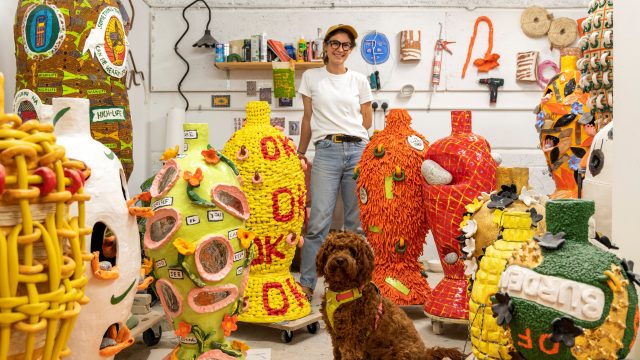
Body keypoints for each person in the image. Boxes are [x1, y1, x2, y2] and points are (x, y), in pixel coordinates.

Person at [296, 24, 373, 300]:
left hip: (357, 152)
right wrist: (301, 152)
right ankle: (306, 283)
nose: (340, 49)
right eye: (335, 43)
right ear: (325, 47)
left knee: (356, 225)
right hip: (326, 150)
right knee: (317, 222)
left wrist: (355, 136)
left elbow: (367, 120)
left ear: (350, 50)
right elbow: (307, 118)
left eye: (346, 45)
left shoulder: (359, 81)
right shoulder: (311, 77)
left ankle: (354, 285)